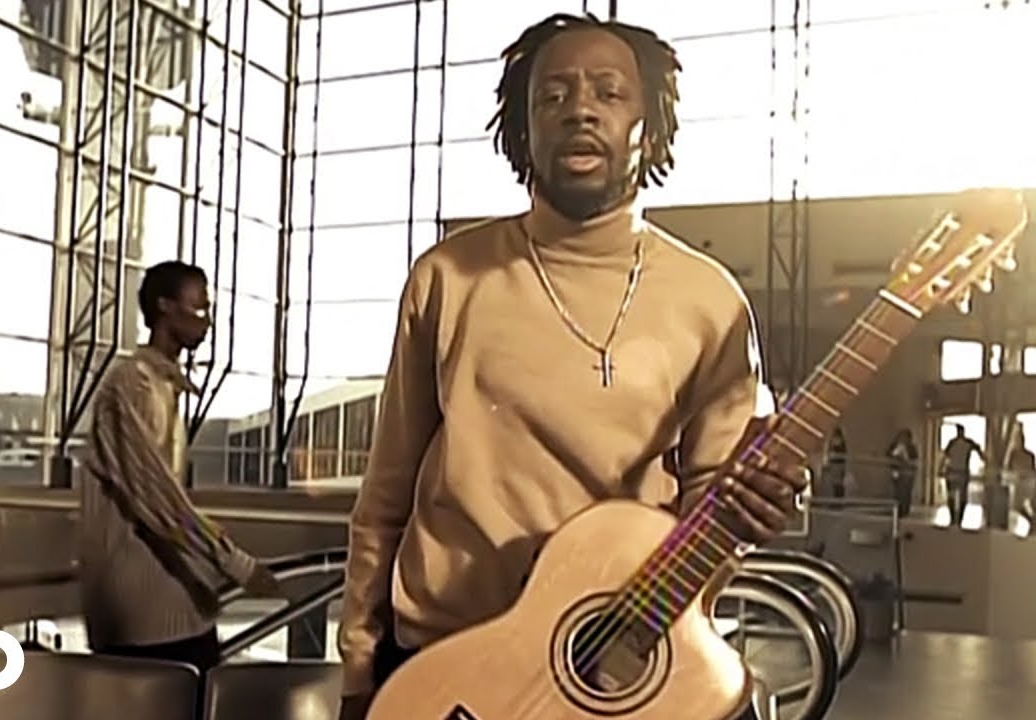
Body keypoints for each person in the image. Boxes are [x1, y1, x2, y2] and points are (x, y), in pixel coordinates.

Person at [337, 15, 808, 719]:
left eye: (609, 93)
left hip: (610, 673)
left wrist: (751, 512)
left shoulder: (710, 301)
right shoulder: (447, 277)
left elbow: (712, 507)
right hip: (445, 665)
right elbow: (386, 495)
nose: (580, 110)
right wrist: (358, 663)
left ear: (650, 126)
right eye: (552, 95)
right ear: (523, 129)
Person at [79, 261, 280, 702]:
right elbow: (157, 496)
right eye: (198, 308)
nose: (207, 321)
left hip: (171, 604)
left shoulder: (161, 385)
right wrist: (234, 562)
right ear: (165, 307)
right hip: (146, 614)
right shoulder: (132, 385)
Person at [941, 424, 982, 527]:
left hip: (955, 471)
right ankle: (957, 518)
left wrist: (941, 468)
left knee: (954, 496)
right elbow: (979, 450)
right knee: (959, 496)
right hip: (959, 471)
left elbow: (945, 456)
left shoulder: (953, 442)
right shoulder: (965, 442)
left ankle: (955, 518)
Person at [886, 429, 918, 518]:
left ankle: (905, 509)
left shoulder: (911, 448)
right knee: (898, 492)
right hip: (897, 471)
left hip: (907, 472)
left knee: (906, 492)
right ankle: (898, 509)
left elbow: (914, 459)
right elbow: (888, 454)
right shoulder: (895, 445)